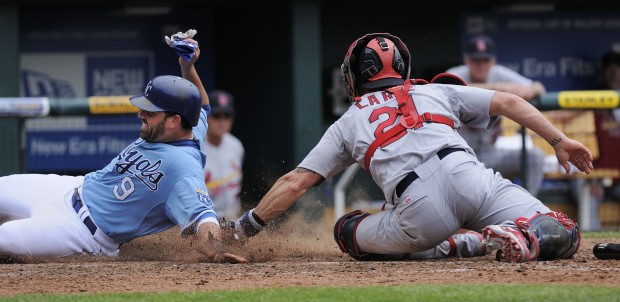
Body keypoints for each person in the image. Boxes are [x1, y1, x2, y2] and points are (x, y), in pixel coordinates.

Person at [223, 33, 592, 263]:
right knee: (562, 229)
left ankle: (452, 246)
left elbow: (294, 183)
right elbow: (510, 103)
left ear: (354, 76)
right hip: (472, 177)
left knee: (347, 229)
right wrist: (559, 141)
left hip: (418, 208)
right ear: (402, 68)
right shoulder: (433, 90)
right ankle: (524, 237)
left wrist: (245, 227)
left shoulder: (349, 120)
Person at [0, 34, 246, 263]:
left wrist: (216, 252)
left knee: (4, 238)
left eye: (149, 112)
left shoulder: (183, 170)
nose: (140, 114)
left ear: (173, 121)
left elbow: (204, 216)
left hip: (80, 232)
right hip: (68, 188)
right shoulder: (192, 125)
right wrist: (188, 67)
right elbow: (203, 106)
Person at [445, 34, 547, 197]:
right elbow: (441, 89)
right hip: (459, 156)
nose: (481, 66)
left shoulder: (499, 73)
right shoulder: (455, 74)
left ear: (492, 61)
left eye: (485, 61)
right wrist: (499, 89)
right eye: (476, 61)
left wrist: (526, 89)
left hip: (491, 154)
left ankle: (528, 210)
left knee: (535, 157)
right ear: (467, 60)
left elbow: (538, 87)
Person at [203, 90, 244, 220]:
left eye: (226, 116)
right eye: (216, 116)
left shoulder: (236, 145)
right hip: (204, 220)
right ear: (206, 117)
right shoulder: (195, 148)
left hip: (232, 219)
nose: (222, 122)